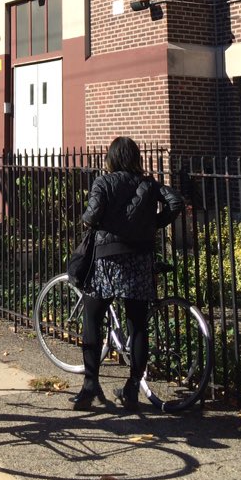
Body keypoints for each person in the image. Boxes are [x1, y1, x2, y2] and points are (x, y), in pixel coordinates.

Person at [72, 136, 184, 411]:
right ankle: (132, 388)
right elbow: (176, 202)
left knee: (92, 318)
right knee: (138, 325)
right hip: (139, 259)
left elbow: (92, 215)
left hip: (107, 260)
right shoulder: (148, 184)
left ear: (111, 157)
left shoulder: (104, 182)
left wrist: (87, 220)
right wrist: (153, 224)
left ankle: (89, 386)